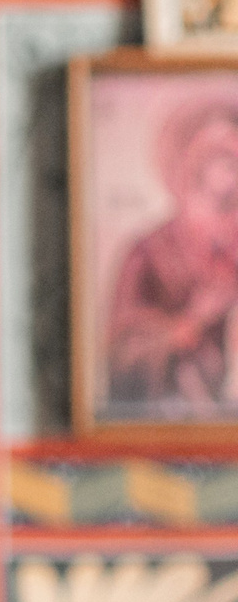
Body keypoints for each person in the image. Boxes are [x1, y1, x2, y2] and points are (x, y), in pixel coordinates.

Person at [107, 95, 238, 414]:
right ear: (191, 166)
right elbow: (123, 348)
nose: (230, 174)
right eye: (220, 159)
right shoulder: (149, 251)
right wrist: (184, 326)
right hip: (175, 413)